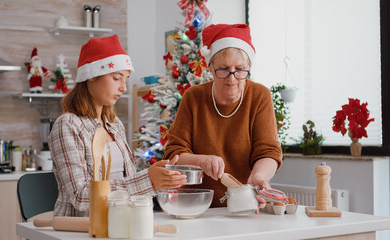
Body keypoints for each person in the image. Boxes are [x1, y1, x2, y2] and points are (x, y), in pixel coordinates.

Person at [48, 35, 186, 217]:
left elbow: (125, 182)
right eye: (116, 78)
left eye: (126, 79)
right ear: (91, 76)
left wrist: (161, 177)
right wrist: (148, 180)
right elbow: (81, 197)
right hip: (81, 229)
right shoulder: (67, 125)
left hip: (119, 222)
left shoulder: (114, 125)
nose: (124, 88)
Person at [163, 24, 282, 208]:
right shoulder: (193, 97)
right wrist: (201, 161)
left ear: (248, 66)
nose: (232, 78)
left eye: (240, 69)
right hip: (196, 205)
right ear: (210, 67)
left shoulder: (259, 96)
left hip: (243, 204)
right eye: (224, 69)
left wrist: (258, 176)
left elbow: (268, 151)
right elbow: (174, 153)